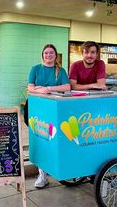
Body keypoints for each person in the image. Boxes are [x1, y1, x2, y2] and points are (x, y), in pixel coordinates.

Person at [26, 44, 70, 188]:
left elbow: (67, 87)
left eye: (51, 53)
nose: (48, 55)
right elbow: (30, 89)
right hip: (36, 110)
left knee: (52, 140)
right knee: (40, 140)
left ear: (55, 55)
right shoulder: (35, 69)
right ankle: (42, 175)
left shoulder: (61, 71)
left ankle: (54, 168)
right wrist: (41, 91)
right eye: (46, 53)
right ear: (42, 55)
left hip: (54, 111)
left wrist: (48, 88)